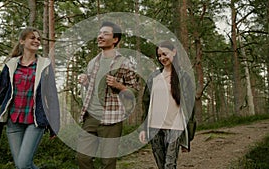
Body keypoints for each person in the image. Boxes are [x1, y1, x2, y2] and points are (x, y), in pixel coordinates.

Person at [0, 27, 60, 169]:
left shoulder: (45, 65)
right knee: (23, 165)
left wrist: (54, 125)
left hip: (35, 121)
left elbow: (52, 97)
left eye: (38, 39)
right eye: (32, 38)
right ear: (22, 41)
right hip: (14, 120)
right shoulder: (11, 65)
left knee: (22, 164)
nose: (36, 41)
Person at [77, 21, 139, 169]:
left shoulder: (124, 63)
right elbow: (93, 88)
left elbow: (135, 91)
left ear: (115, 39)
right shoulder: (93, 62)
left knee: (108, 163)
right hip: (91, 117)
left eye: (105, 33)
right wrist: (85, 81)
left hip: (112, 119)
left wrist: (119, 86)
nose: (100, 36)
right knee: (82, 157)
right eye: (99, 33)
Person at [139, 40, 195, 169]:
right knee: (161, 165)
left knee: (170, 164)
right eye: (159, 55)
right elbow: (146, 104)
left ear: (174, 52)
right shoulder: (153, 77)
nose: (162, 58)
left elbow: (190, 107)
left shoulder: (183, 77)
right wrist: (143, 128)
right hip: (154, 127)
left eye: (165, 54)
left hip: (175, 127)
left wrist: (188, 137)